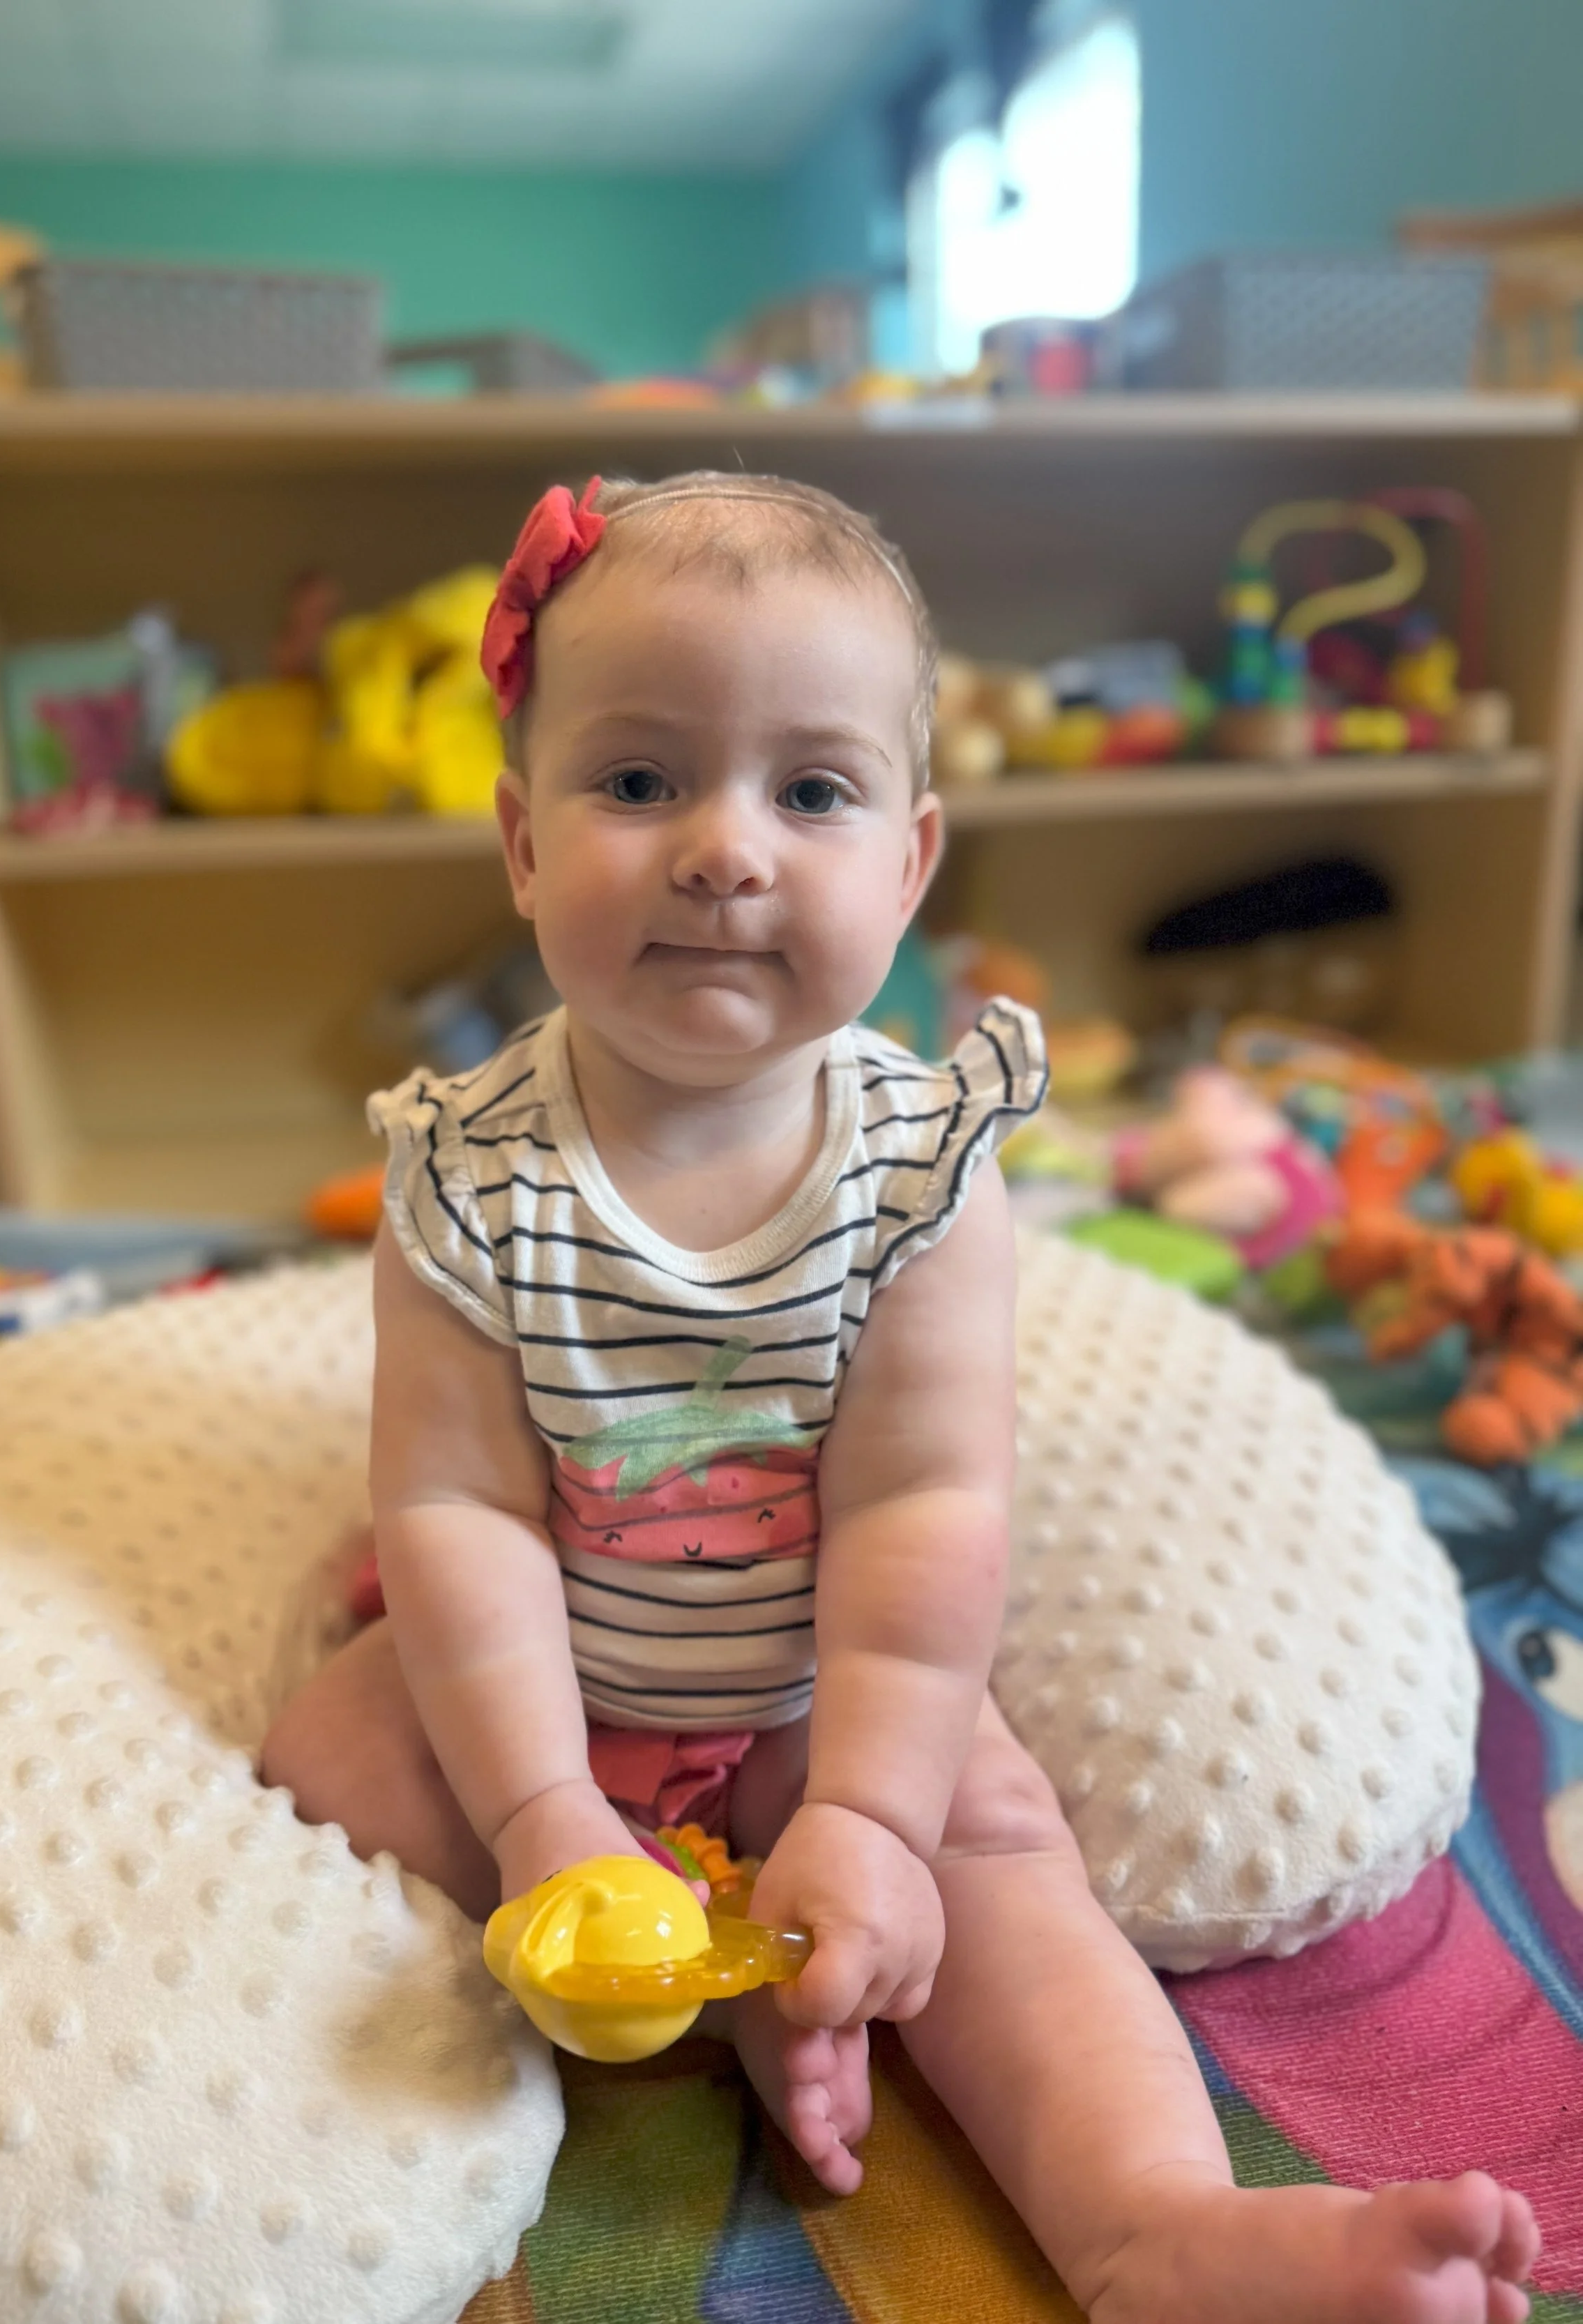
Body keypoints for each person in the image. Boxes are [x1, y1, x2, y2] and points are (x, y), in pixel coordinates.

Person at [262, 471, 1538, 2324]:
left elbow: (919, 1509)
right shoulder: (467, 1174)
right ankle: (707, 1981)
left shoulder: (918, 1170)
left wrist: (860, 1808)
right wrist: (547, 1816)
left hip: (815, 1675)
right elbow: (455, 1508)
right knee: (323, 1765)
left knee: (994, 1858)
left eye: (810, 790)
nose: (723, 848)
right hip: (558, 1669)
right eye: (637, 783)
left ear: (911, 859)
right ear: (523, 844)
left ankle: (1150, 2226)